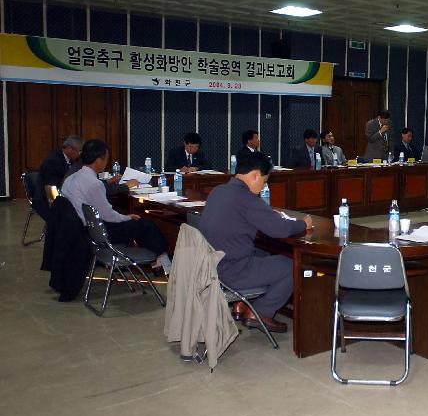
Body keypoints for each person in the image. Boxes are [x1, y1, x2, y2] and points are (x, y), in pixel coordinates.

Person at [199, 151, 313, 333]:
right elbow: (281, 230)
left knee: (264, 253)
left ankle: (239, 305)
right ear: (254, 175)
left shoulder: (218, 191)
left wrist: (266, 216)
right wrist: (303, 224)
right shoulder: (247, 198)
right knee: (292, 265)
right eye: (264, 181)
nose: (263, 187)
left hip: (210, 265)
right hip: (232, 271)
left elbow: (241, 218)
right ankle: (260, 312)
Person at [62, 139, 172, 272]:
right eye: (106, 159)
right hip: (99, 232)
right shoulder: (93, 184)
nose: (106, 162)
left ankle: (155, 261)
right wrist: (128, 217)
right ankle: (163, 261)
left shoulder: (72, 178)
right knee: (146, 225)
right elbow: (109, 216)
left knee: (138, 224)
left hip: (82, 229)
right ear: (98, 160)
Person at [37, 136, 83, 213]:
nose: (79, 154)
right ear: (69, 148)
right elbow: (52, 186)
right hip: (48, 198)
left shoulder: (70, 160)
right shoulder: (53, 161)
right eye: (78, 151)